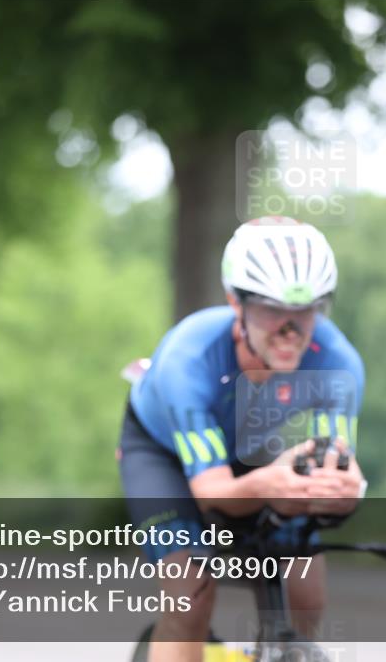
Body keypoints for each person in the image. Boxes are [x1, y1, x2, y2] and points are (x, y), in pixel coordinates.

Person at [118, 216, 366, 662]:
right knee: (190, 595)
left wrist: (340, 490)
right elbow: (213, 493)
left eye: (305, 311)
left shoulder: (338, 363)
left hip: (246, 448)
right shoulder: (188, 358)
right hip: (161, 454)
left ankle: (278, 651)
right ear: (236, 302)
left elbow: (338, 463)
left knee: (305, 590)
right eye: (272, 310)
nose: (290, 330)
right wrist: (272, 483)